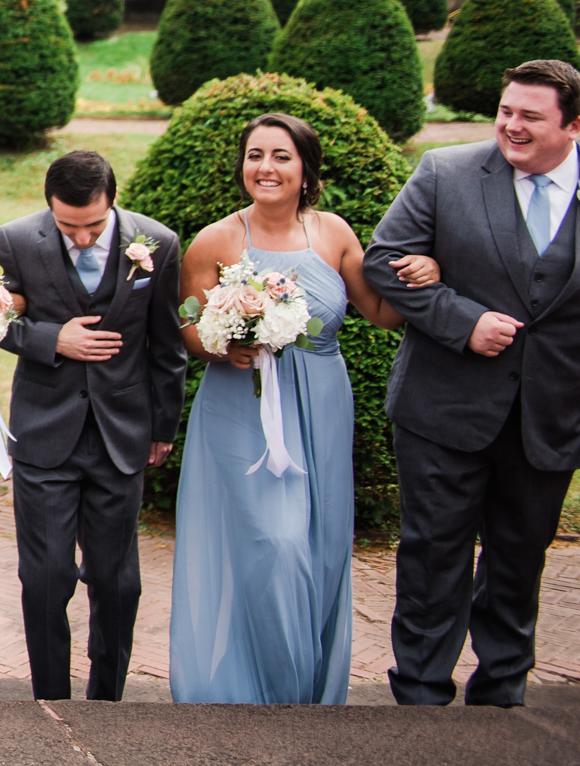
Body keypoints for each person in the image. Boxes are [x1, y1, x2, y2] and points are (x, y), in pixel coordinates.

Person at [169, 113, 415, 705]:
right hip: (239, 407)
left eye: (281, 156)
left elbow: (383, 313)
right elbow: (186, 328)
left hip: (321, 405)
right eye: (255, 155)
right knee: (271, 545)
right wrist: (225, 339)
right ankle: (258, 690)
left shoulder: (333, 234)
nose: (266, 168)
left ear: (307, 169)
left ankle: (309, 691)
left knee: (319, 546)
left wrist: (424, 273)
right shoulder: (215, 240)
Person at [366, 58, 580, 708]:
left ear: (573, 125)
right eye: (505, 111)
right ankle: (421, 692)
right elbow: (381, 262)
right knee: (434, 556)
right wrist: (463, 320)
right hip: (444, 406)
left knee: (521, 557)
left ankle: (502, 691)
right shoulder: (446, 173)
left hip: (550, 413)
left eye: (529, 117)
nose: (510, 126)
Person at [0, 149, 183, 702]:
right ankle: (50, 699)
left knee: (118, 581)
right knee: (46, 578)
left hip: (122, 435)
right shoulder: (16, 240)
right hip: (45, 431)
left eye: (94, 226)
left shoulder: (158, 243)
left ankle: (108, 700)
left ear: (113, 202)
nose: (81, 238)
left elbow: (168, 347)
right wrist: (53, 339)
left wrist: (162, 428)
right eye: (67, 226)